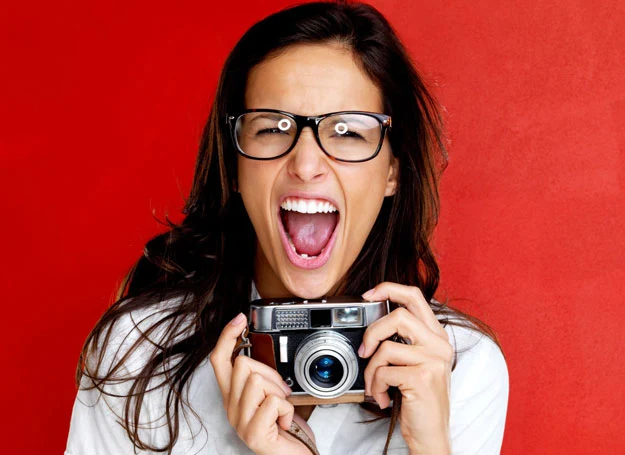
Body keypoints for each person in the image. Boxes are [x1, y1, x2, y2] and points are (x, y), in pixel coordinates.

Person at [65, 2, 509, 454]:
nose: (307, 164)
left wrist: (431, 445)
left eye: (348, 132)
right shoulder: (137, 353)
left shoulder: (458, 369)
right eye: (272, 129)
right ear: (234, 165)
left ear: (392, 170)